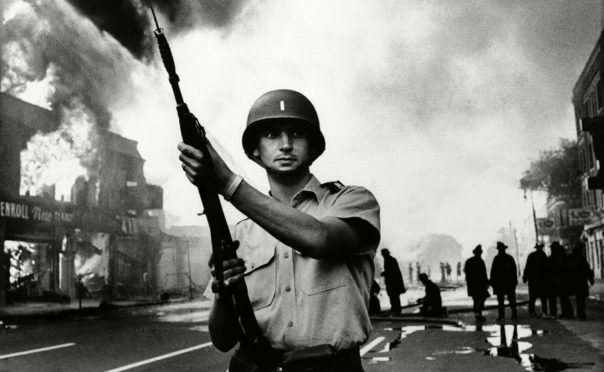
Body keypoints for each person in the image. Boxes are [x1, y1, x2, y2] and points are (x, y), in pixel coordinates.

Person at [179, 89, 380, 372]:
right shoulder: (241, 234)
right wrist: (223, 294)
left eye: (296, 134)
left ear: (314, 147)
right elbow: (222, 340)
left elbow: (320, 239)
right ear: (255, 151)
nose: (285, 145)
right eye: (272, 135)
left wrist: (227, 184)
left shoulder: (352, 201)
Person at [565, 244, 594, 320]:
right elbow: (587, 270)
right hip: (581, 282)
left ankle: (573, 313)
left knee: (575, 298)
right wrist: (591, 280)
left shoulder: (569, 258)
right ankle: (581, 314)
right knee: (581, 298)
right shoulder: (582, 259)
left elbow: (565, 271)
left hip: (572, 282)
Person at [490, 242, 518, 321]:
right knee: (511, 300)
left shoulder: (497, 259)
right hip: (508, 283)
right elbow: (514, 271)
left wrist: (492, 282)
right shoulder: (509, 258)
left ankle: (502, 316)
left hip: (501, 283)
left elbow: (493, 272)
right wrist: (514, 281)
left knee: (501, 301)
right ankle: (514, 315)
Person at [545, 241, 571, 319]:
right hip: (562, 281)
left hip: (554, 281)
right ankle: (566, 313)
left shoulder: (551, 259)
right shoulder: (564, 258)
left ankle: (554, 313)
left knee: (553, 298)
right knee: (564, 298)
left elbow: (548, 271)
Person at [464, 245, 490, 321]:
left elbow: (466, 272)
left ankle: (477, 313)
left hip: (472, 284)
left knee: (476, 300)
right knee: (482, 298)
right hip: (480, 284)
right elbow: (483, 274)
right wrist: (486, 282)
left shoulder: (469, 261)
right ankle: (478, 312)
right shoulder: (480, 261)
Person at [522, 243, 548, 317]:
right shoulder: (543, 256)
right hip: (536, 280)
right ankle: (539, 311)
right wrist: (525, 276)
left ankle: (535, 311)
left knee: (536, 297)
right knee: (536, 297)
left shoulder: (534, 256)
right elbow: (527, 267)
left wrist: (525, 276)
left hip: (537, 280)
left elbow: (527, 267)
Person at [380, 248, 406, 314]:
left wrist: (384, 273)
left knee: (393, 296)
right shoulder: (391, 260)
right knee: (394, 296)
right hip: (393, 283)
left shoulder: (389, 260)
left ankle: (396, 309)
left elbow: (391, 272)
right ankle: (396, 309)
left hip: (392, 283)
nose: (383, 256)